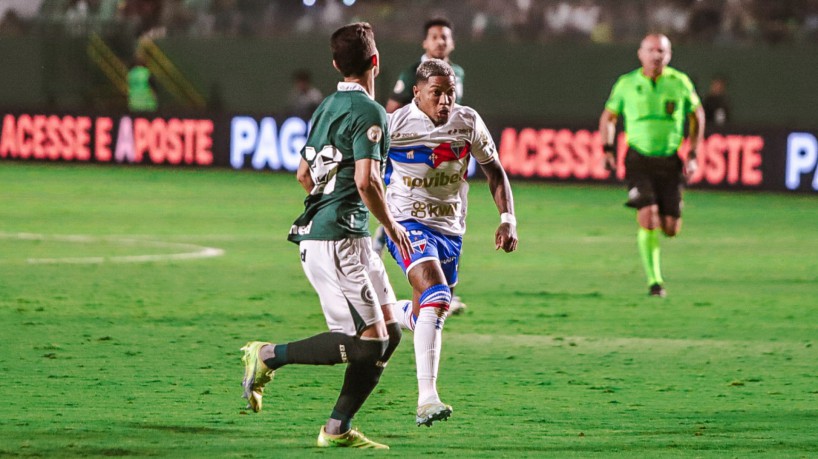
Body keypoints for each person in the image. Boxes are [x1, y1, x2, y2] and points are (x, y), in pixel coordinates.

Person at [240, 22, 413, 450]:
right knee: (368, 344)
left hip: (340, 233)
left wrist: (331, 206)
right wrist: (390, 228)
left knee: (389, 333)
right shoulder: (371, 112)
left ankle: (337, 428)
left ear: (336, 64)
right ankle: (266, 355)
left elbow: (303, 173)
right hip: (339, 240)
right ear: (376, 61)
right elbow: (368, 181)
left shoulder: (327, 106)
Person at [382, 59, 518, 426]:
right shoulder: (395, 126)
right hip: (406, 223)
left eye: (450, 93)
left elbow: (494, 170)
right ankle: (427, 398)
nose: (445, 101)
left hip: (450, 229)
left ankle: (382, 314)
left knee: (426, 310)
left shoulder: (467, 122)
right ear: (416, 93)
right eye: (436, 93)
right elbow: (368, 171)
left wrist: (507, 219)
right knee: (439, 296)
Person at [599, 33, 705, 298]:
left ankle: (666, 213)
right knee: (648, 217)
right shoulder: (627, 83)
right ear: (640, 53)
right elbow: (609, 117)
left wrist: (692, 153)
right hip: (638, 159)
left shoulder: (679, 83)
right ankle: (655, 282)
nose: (657, 55)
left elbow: (697, 115)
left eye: (662, 51)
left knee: (670, 228)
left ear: (669, 55)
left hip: (670, 160)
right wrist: (608, 149)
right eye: (652, 50)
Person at [377, 17, 469, 315]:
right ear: (425, 43)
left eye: (445, 36)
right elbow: (390, 112)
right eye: (435, 36)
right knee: (406, 213)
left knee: (449, 226)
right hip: (413, 162)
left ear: (452, 42)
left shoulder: (457, 73)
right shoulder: (412, 73)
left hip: (446, 169)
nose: (440, 41)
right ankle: (427, 290)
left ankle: (436, 296)